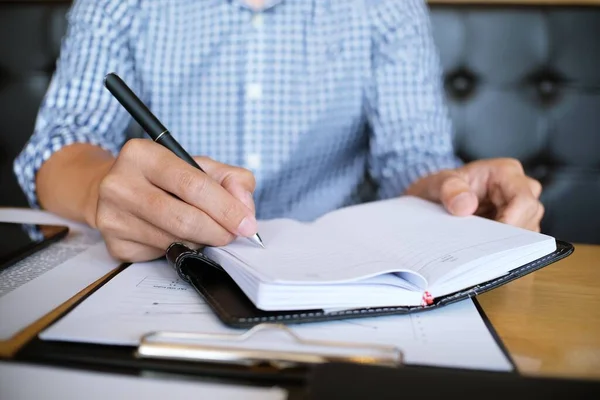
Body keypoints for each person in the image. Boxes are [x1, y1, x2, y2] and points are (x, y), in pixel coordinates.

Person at [14, 0, 543, 262]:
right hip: (159, 269)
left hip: (339, 279)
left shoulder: (386, 6)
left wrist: (453, 197)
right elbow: (61, 144)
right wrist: (101, 190)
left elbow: (410, 159)